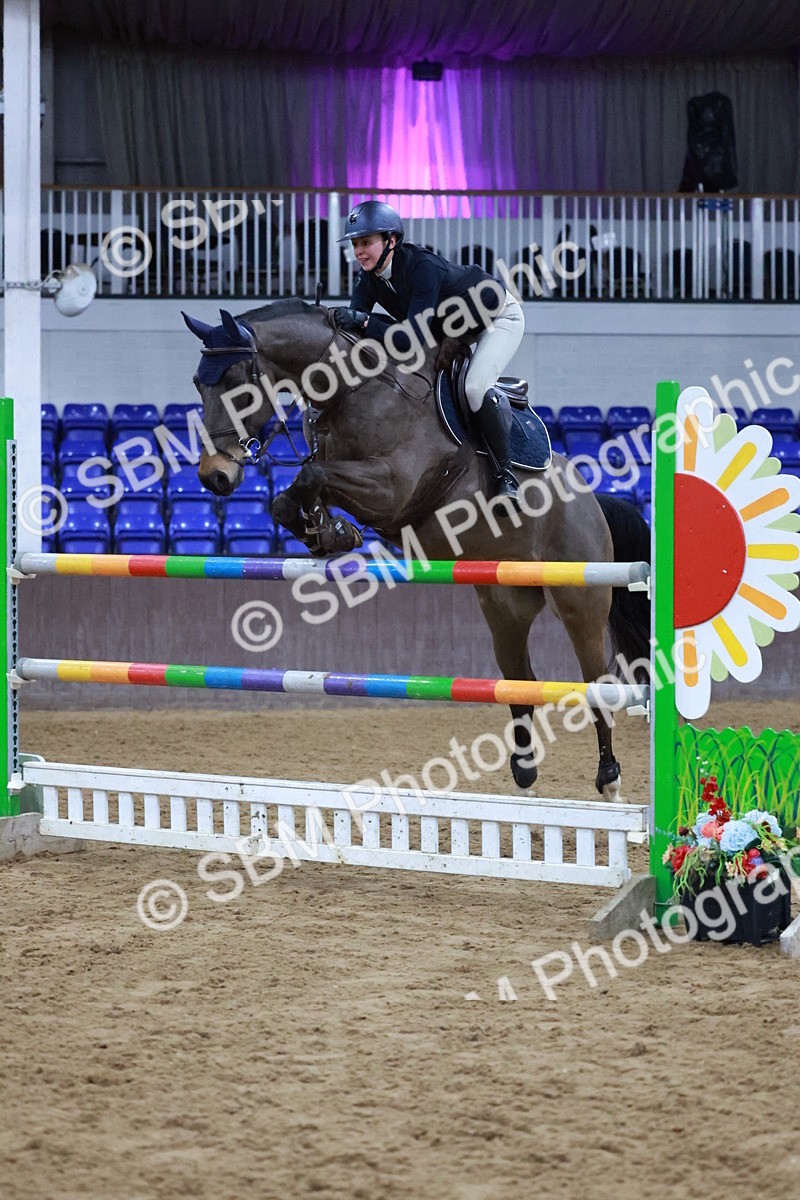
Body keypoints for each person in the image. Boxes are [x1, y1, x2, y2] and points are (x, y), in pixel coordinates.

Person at [336, 200, 525, 503]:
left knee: (475, 387)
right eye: (355, 243)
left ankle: (506, 475)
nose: (359, 251)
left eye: (366, 242)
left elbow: (410, 338)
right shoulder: (368, 279)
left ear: (391, 241)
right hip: (450, 327)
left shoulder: (422, 268)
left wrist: (366, 321)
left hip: (496, 317)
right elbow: (355, 330)